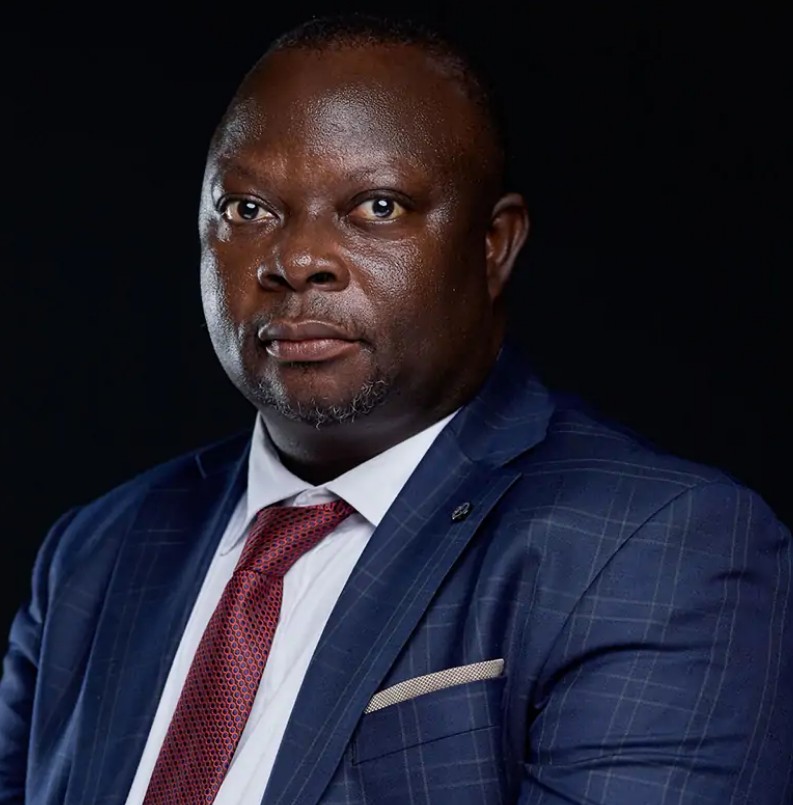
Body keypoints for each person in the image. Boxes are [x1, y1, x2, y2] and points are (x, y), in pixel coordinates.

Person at [1, 13, 791, 805]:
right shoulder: (96, 553)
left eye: (377, 206)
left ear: (493, 244)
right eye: (246, 209)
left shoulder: (657, 549)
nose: (296, 259)